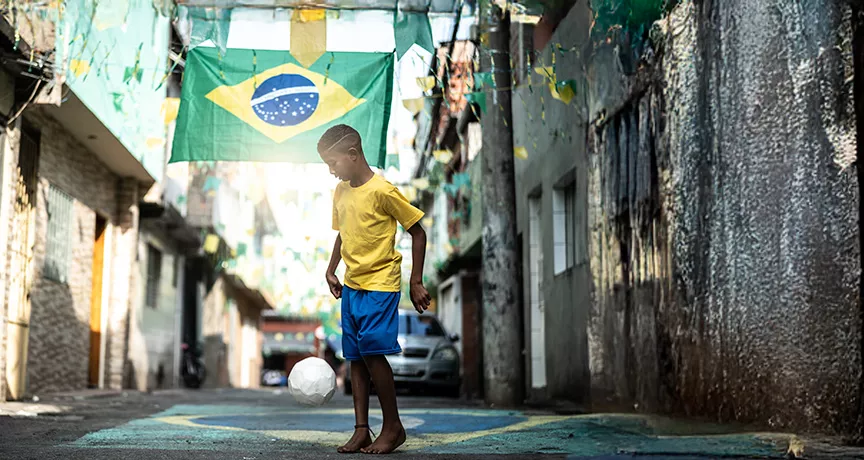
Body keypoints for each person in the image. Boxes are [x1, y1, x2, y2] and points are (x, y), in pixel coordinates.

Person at [320, 124, 432, 455]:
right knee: (355, 355)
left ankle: (393, 427)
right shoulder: (340, 192)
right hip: (352, 285)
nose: (331, 171)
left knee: (370, 350)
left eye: (333, 163)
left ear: (353, 155)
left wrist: (416, 281)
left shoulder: (383, 191)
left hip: (381, 283)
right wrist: (331, 269)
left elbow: (418, 232)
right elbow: (343, 233)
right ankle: (361, 430)